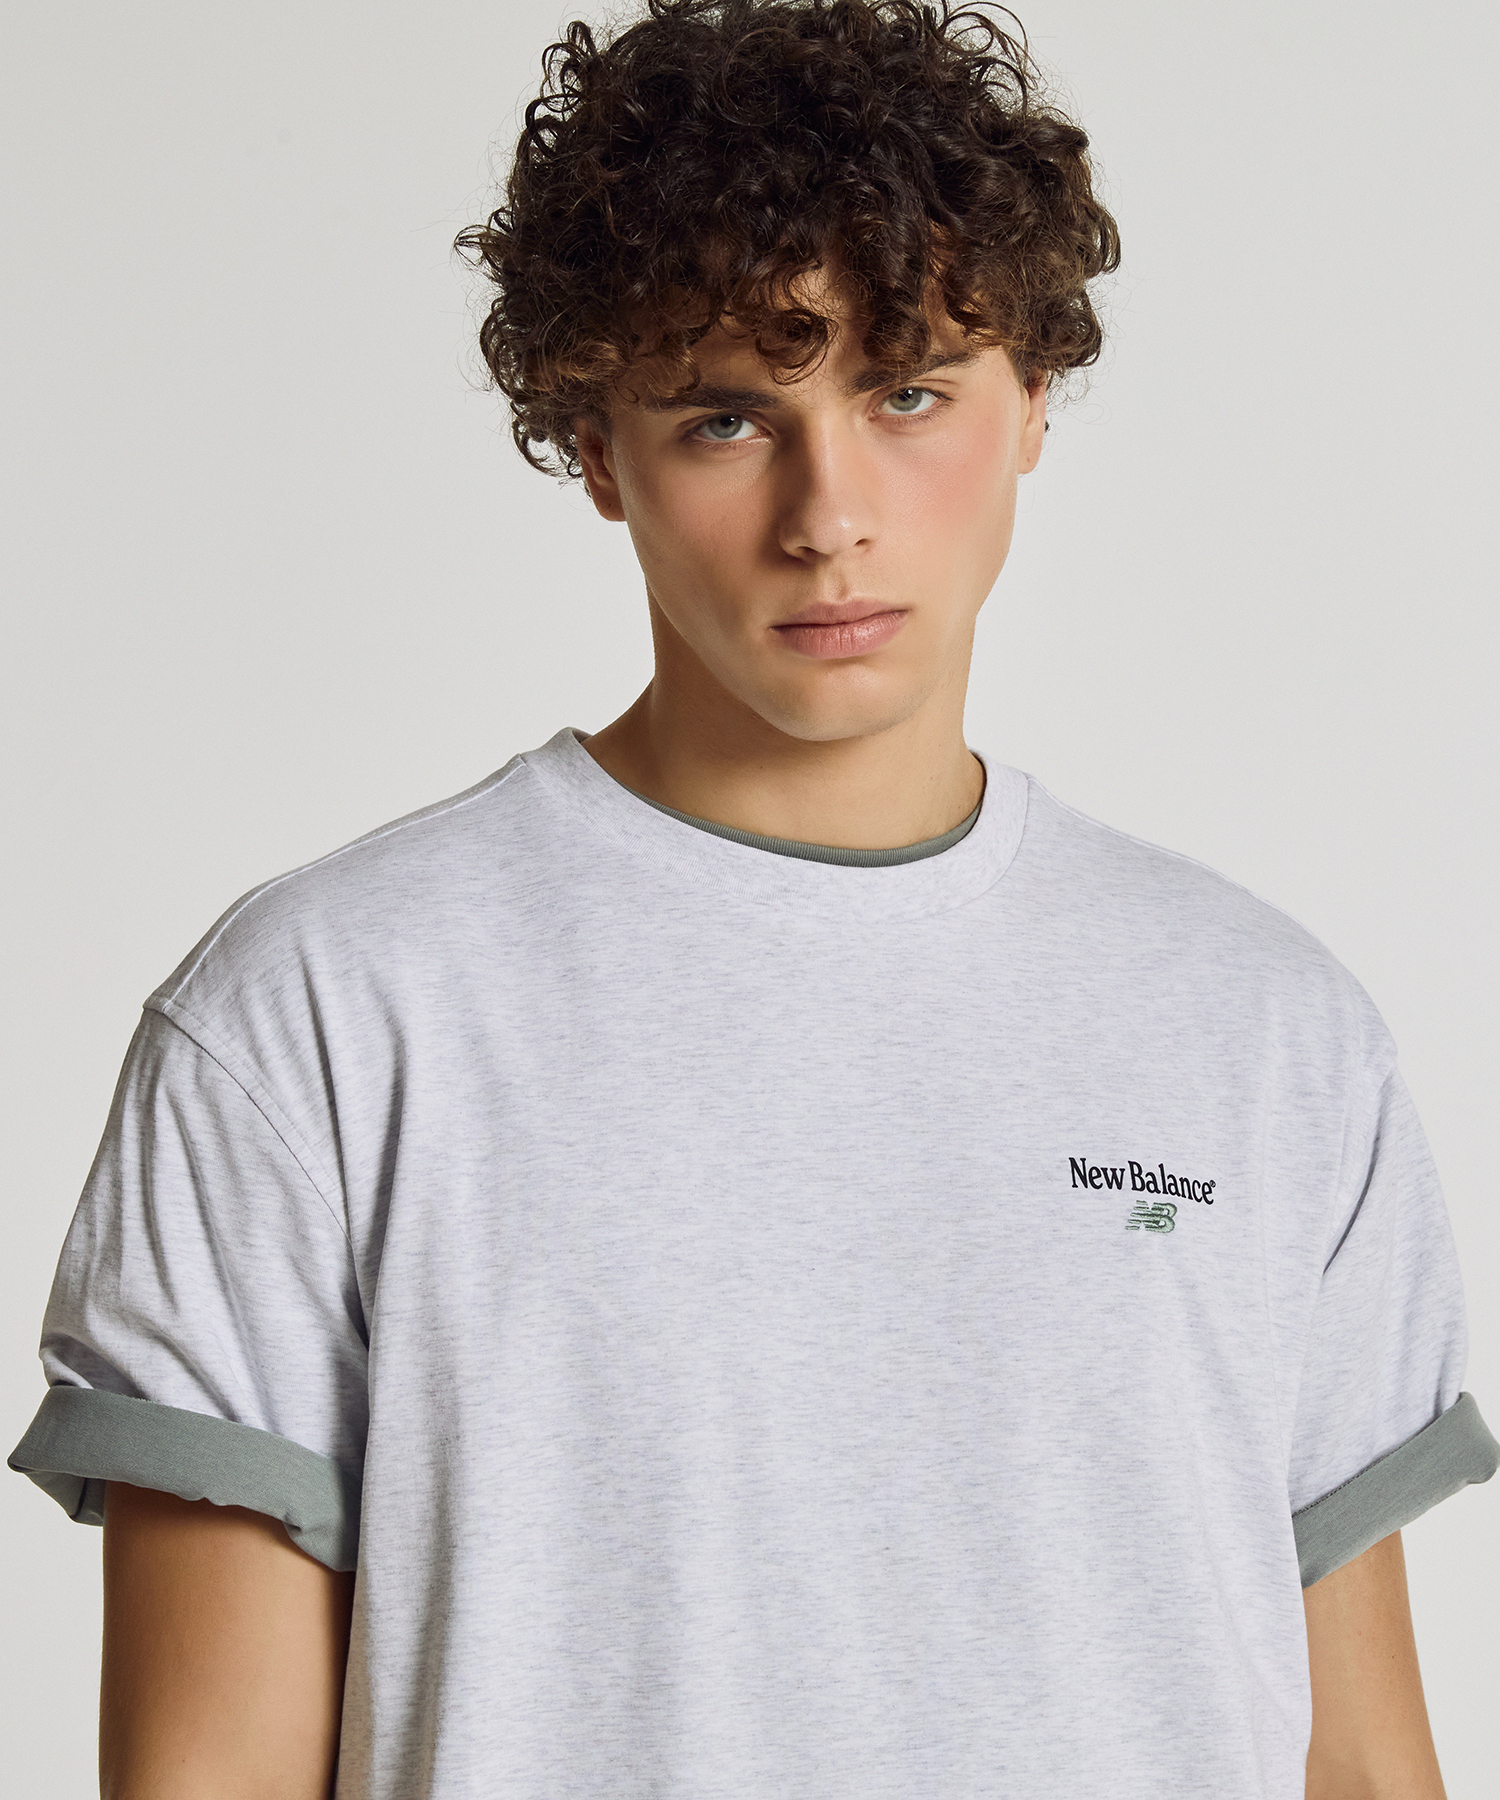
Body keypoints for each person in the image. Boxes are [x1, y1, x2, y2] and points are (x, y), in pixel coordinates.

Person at [9, 0, 1495, 1794]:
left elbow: (1363, 1764)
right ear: (595, 449)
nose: (829, 515)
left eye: (910, 392)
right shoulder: (320, 1016)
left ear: (1034, 400)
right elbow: (209, 1776)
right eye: (726, 418)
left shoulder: (1266, 1032)